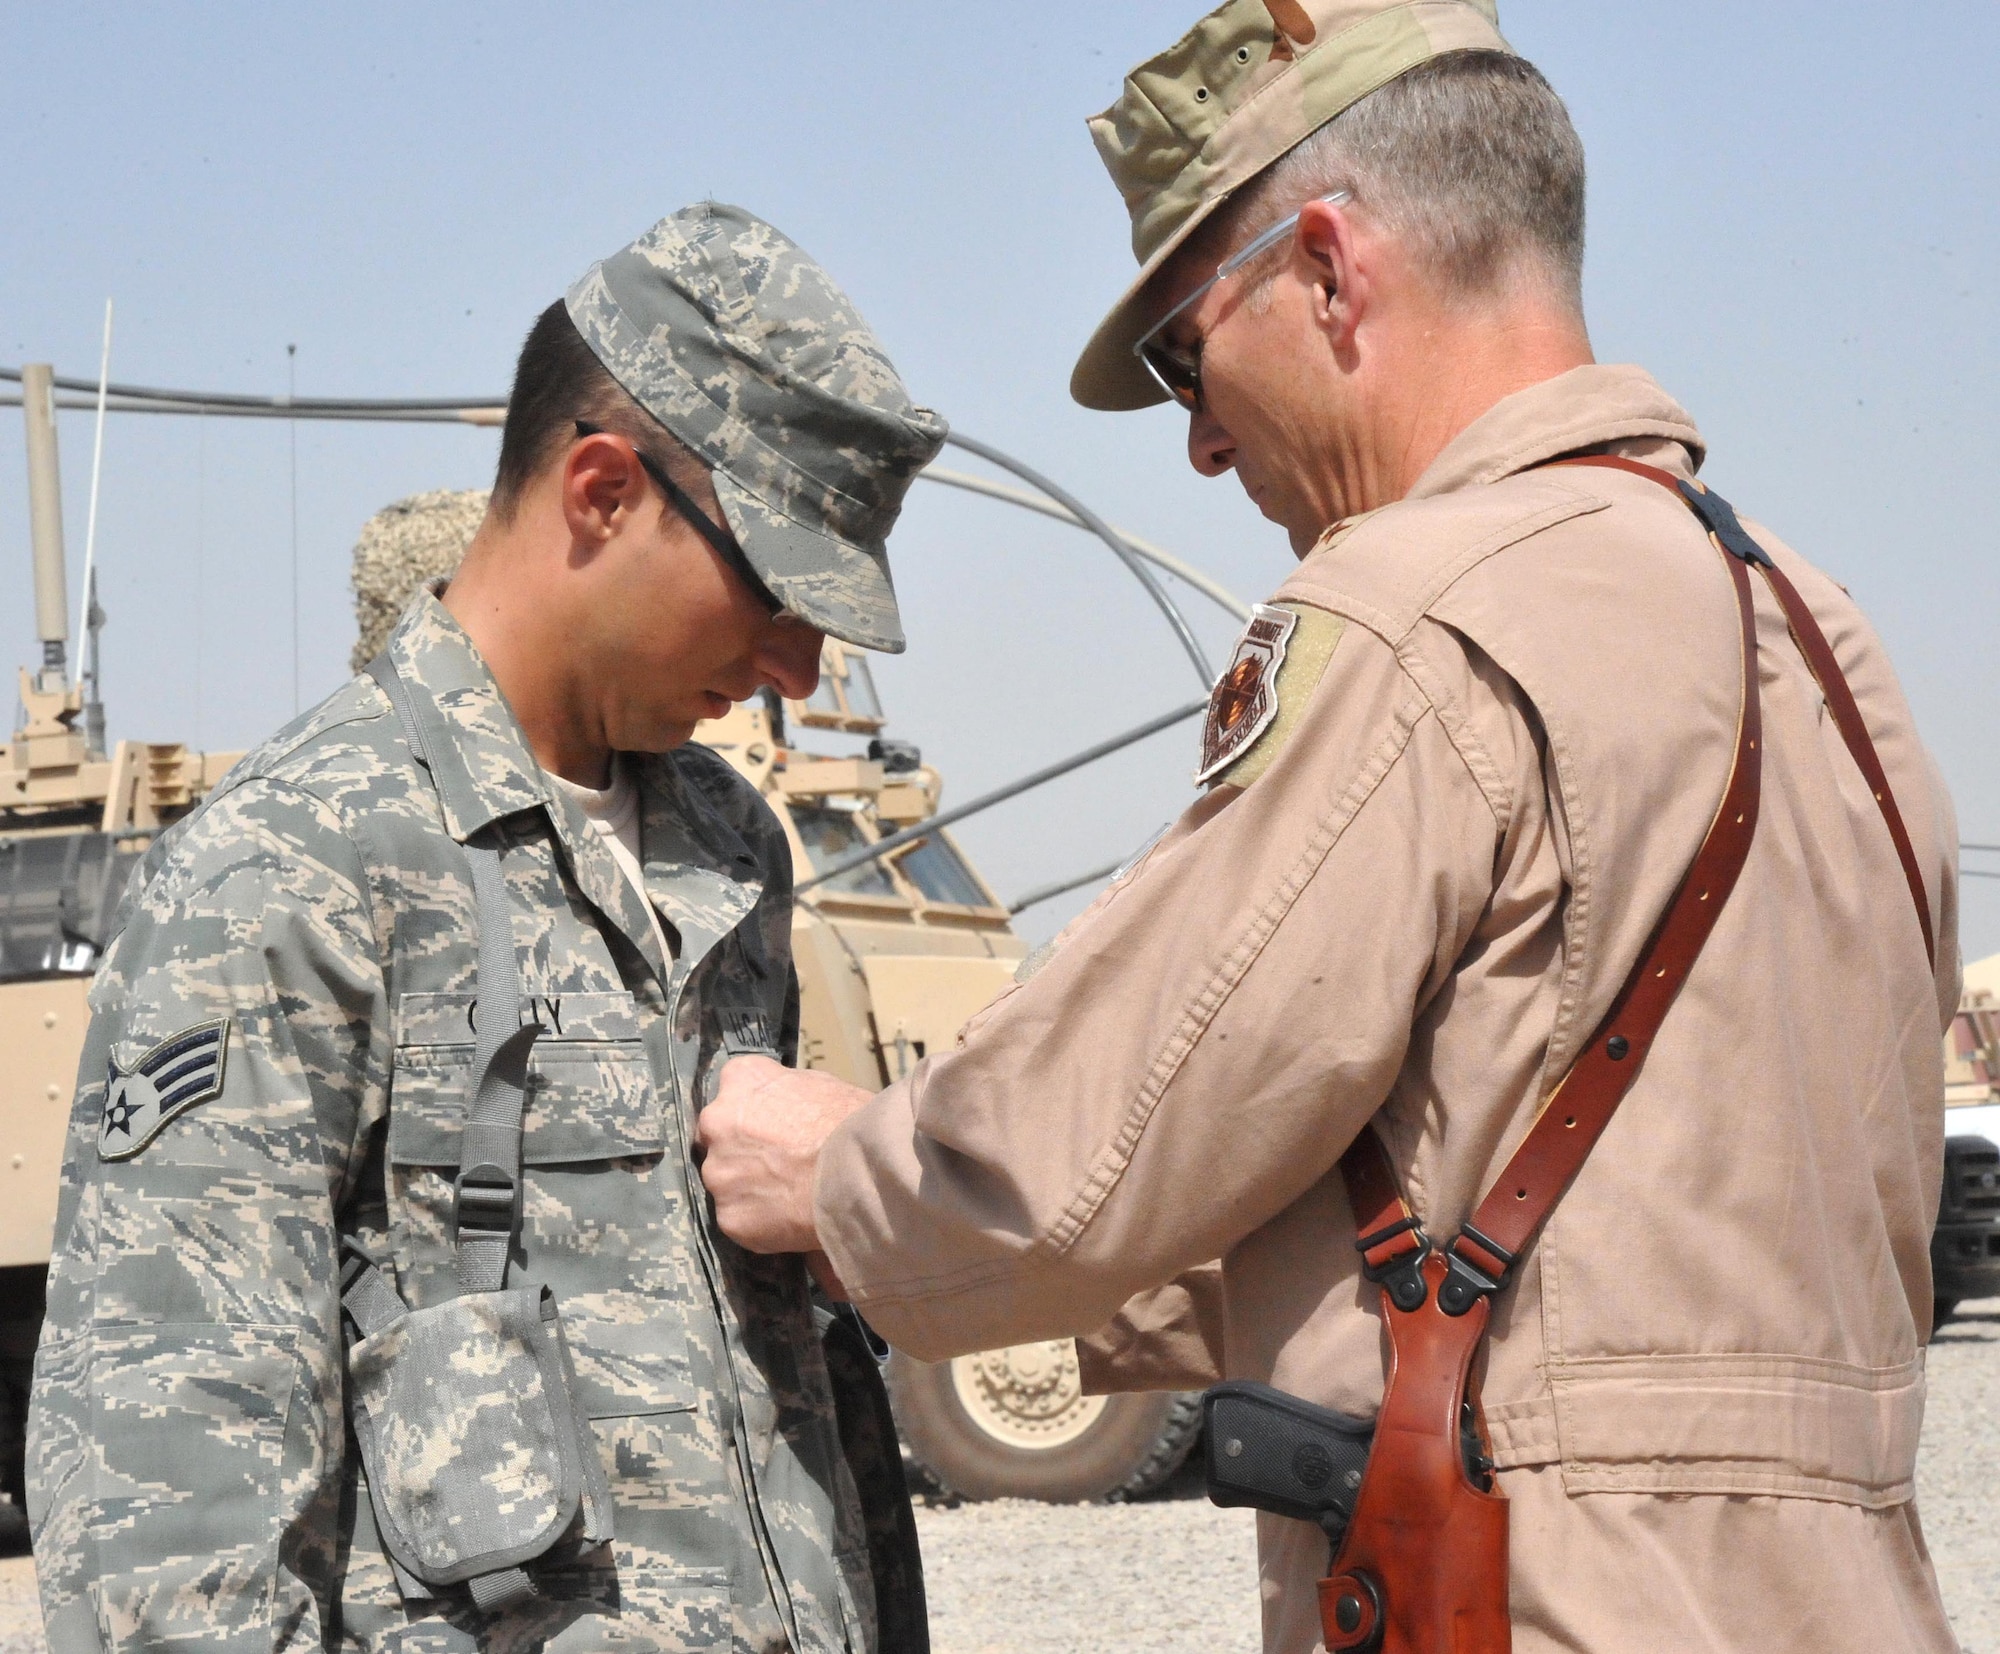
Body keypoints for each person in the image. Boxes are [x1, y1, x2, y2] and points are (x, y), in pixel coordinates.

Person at [696, 5, 1965, 1650]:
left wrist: (841, 1172)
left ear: (1328, 266)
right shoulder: (1819, 636)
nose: (1205, 436)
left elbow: (1087, 1147)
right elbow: (1642, 1242)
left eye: (1181, 358)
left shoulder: (1411, 609)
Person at [28, 200, 945, 1652]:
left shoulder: (731, 850)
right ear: (600, 492)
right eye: (777, 589)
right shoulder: (293, 867)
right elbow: (173, 1501)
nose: (797, 663)